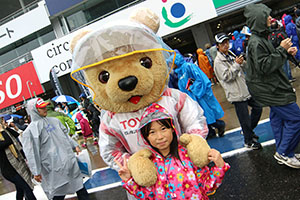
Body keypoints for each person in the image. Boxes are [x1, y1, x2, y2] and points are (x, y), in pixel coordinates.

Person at [115, 103, 230, 200]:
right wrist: (129, 180)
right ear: (146, 138)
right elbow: (147, 196)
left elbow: (207, 186)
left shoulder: (188, 155)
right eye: (152, 132)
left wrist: (219, 166)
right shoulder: (150, 164)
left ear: (172, 129)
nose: (159, 136)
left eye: (163, 129)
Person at [244, 3, 300, 168]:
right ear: (259, 20)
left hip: (268, 88)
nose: (271, 18)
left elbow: (267, 60)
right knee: (296, 118)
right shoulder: (256, 42)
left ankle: (286, 152)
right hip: (271, 89)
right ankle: (283, 152)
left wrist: (285, 52)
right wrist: (282, 50)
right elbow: (265, 66)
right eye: (266, 16)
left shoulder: (259, 39)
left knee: (278, 119)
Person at [21, 98, 90, 199]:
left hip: (68, 162)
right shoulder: (30, 131)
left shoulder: (55, 121)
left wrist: (74, 145)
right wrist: (36, 171)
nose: (45, 109)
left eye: (45, 106)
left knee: (79, 186)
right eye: (41, 108)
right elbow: (31, 153)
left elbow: (65, 136)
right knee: (58, 192)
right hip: (52, 167)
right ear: (34, 110)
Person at [213, 32, 262, 150]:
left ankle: (248, 131)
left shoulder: (230, 53)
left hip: (244, 89)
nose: (226, 45)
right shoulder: (218, 62)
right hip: (235, 94)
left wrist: (242, 62)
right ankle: (248, 141)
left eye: (227, 42)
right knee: (244, 119)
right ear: (217, 46)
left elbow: (241, 68)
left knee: (258, 107)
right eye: (222, 43)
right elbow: (226, 77)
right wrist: (236, 64)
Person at [168, 50, 225, 138]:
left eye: (171, 63)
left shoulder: (188, 67)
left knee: (207, 114)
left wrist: (194, 89)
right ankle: (210, 132)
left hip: (200, 96)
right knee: (201, 115)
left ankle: (220, 125)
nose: (171, 65)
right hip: (193, 98)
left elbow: (200, 79)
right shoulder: (179, 72)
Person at [0, 118, 37, 200]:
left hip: (18, 165)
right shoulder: (2, 135)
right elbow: (8, 141)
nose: (3, 122)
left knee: (20, 189)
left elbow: (15, 134)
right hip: (9, 170)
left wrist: (6, 128)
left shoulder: (5, 133)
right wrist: (2, 130)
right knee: (27, 187)